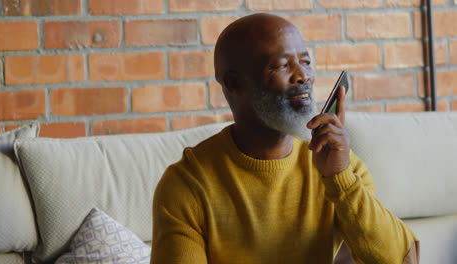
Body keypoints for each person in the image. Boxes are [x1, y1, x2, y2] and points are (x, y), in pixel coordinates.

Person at [151, 13, 419, 264]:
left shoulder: (338, 166)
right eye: (281, 65)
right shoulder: (186, 185)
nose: (304, 76)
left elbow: (404, 259)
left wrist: (340, 179)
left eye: (306, 62)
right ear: (234, 83)